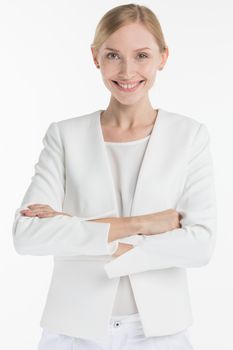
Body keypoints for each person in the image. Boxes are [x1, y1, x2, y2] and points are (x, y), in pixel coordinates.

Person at [12, 3, 217, 350]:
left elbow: (200, 245)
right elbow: (27, 234)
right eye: (112, 55)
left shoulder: (190, 136)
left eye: (141, 55)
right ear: (95, 57)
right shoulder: (65, 136)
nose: (127, 70)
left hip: (161, 333)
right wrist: (146, 223)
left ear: (163, 57)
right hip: (71, 330)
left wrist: (76, 228)